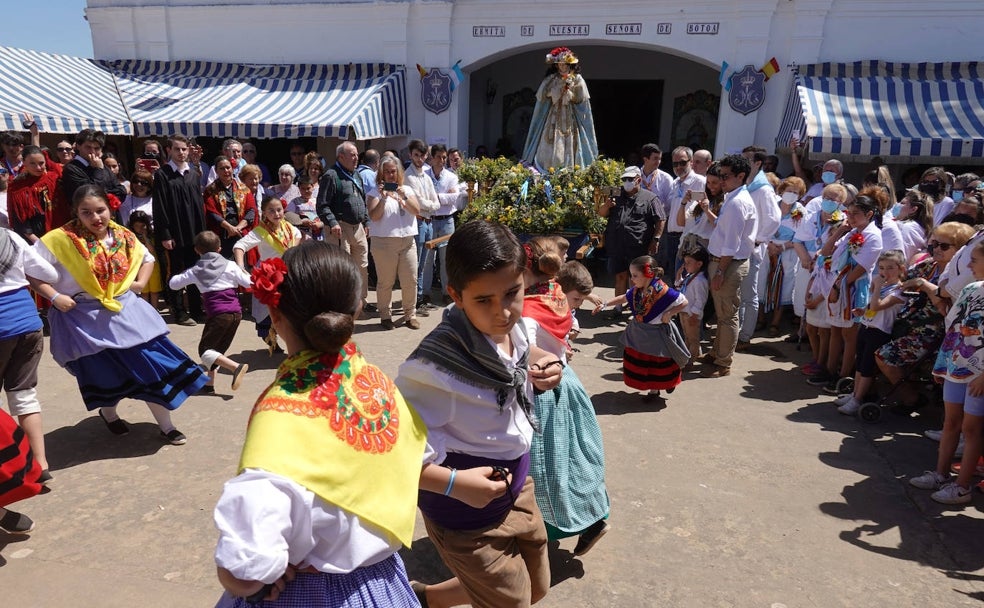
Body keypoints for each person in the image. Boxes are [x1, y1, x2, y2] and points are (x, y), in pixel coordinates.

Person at [213, 241, 427, 607]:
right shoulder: (376, 384)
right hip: (382, 585)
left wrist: (252, 580)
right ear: (357, 309)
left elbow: (244, 569)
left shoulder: (279, 419)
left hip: (306, 594)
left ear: (275, 317)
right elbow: (415, 458)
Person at [395, 220, 562, 608]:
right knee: (514, 602)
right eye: (483, 300)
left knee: (537, 589)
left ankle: (427, 598)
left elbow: (518, 356)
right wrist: (454, 484)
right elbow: (396, 455)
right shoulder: (434, 371)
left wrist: (545, 362)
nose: (503, 311)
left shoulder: (514, 329)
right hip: (466, 517)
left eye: (512, 293)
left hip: (518, 489)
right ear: (456, 295)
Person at [32, 185, 206, 445]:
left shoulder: (123, 236)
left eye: (100, 210)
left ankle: (166, 426)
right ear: (76, 213)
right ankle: (109, 414)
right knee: (103, 373)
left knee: (148, 367)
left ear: (110, 208)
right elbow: (31, 272)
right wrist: (55, 297)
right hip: (84, 319)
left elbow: (147, 259)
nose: (96, 218)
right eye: (86, 212)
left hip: (125, 313)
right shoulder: (58, 240)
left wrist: (139, 283)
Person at [521, 236, 610, 555]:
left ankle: (542, 531)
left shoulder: (529, 308)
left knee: (545, 467)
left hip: (542, 387)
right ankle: (594, 515)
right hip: (568, 383)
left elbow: (523, 345)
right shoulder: (556, 296)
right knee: (579, 455)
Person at [909, 240, 984, 505]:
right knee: (951, 422)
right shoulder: (972, 289)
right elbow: (953, 327)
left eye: (974, 260)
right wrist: (943, 363)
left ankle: (962, 486)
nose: (969, 265)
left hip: (979, 375)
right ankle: (940, 474)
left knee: (972, 429)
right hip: (957, 367)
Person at [876, 222, 976, 408]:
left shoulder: (961, 276)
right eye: (934, 244)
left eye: (944, 246)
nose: (936, 249)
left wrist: (923, 285)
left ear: (960, 251)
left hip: (934, 333)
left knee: (884, 356)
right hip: (906, 323)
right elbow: (901, 278)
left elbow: (945, 308)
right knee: (870, 337)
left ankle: (911, 399)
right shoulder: (929, 265)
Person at [0, 226, 58, 483]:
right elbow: (49, 273)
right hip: (26, 321)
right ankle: (40, 464)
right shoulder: (9, 236)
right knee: (24, 394)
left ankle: (9, 467)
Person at [815, 192, 884, 394]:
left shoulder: (873, 236)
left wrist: (839, 287)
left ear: (869, 214)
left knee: (849, 334)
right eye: (849, 213)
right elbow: (827, 252)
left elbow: (861, 267)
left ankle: (843, 376)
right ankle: (829, 370)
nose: (851, 217)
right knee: (835, 330)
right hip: (838, 283)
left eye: (856, 214)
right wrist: (839, 231)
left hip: (853, 287)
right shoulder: (850, 232)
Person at [168, 230, 250, 395]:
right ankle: (209, 384)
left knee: (205, 351)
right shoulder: (231, 265)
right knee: (215, 351)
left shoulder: (196, 270)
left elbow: (173, 284)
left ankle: (236, 367)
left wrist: (180, 274)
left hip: (218, 316)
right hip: (236, 313)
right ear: (219, 248)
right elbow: (249, 283)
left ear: (197, 250)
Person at [596, 255, 689, 398]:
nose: (632, 279)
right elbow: (623, 297)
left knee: (659, 363)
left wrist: (669, 313)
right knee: (644, 364)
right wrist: (605, 304)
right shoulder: (636, 291)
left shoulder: (663, 291)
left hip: (657, 335)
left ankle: (668, 383)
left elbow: (684, 302)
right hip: (639, 333)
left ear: (648, 274)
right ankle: (654, 390)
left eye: (635, 275)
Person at [702, 154, 758, 378]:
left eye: (725, 176)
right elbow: (722, 230)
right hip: (724, 263)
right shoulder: (733, 198)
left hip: (728, 264)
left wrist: (721, 272)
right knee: (722, 313)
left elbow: (731, 245)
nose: (721, 180)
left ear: (741, 176)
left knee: (726, 316)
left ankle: (724, 361)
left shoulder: (737, 202)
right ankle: (717, 353)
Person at [834, 249, 906, 415]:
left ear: (901, 269)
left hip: (879, 332)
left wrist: (877, 287)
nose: (884, 272)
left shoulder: (898, 291)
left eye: (890, 268)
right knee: (859, 364)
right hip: (866, 326)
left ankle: (858, 399)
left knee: (867, 367)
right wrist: (863, 310)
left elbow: (877, 306)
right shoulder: (883, 287)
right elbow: (871, 307)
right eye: (881, 268)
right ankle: (854, 394)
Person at [234, 195, 302, 352]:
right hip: (269, 277)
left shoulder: (290, 229)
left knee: (291, 312)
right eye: (271, 211)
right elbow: (239, 246)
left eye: (279, 210)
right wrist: (240, 265)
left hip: (288, 276)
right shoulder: (260, 231)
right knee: (267, 313)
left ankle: (295, 343)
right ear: (264, 213)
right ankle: (272, 342)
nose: (276, 214)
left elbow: (296, 242)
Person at [152, 134, 207, 326]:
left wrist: (202, 234)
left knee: (194, 271)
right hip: (175, 233)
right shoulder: (162, 174)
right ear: (169, 150)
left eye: (184, 149)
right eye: (177, 149)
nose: (181, 153)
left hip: (193, 233)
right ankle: (179, 312)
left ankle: (196, 309)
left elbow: (198, 206)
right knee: (176, 273)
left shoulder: (192, 174)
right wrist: (165, 234)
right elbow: (160, 206)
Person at [599, 166, 665, 317]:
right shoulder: (616, 196)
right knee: (620, 276)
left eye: (630, 179)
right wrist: (607, 205)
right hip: (617, 245)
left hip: (638, 246)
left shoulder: (650, 198)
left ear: (638, 180)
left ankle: (637, 308)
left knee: (637, 279)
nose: (626, 182)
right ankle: (617, 308)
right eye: (624, 179)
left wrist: (656, 239)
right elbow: (601, 213)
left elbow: (660, 219)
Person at [365, 155, 421, 330]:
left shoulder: (407, 190)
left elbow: (417, 210)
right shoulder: (374, 192)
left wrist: (403, 197)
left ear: (398, 172)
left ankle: (410, 314)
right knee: (386, 281)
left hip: (407, 240)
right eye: (387, 172)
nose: (390, 175)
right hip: (384, 242)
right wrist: (383, 198)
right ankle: (385, 315)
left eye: (393, 171)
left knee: (410, 279)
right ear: (381, 173)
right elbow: (374, 216)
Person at [316, 141, 372, 312]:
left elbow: (362, 200)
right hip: (340, 229)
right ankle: (342, 304)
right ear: (341, 157)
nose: (356, 158)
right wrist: (332, 222)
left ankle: (360, 302)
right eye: (352, 155)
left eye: (356, 154)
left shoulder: (357, 174)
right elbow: (322, 205)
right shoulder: (331, 176)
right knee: (342, 269)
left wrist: (366, 221)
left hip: (358, 229)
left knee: (362, 267)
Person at [521, 46, 598, 171]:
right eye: (560, 64)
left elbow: (581, 99)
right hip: (553, 116)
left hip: (569, 117)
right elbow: (543, 95)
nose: (563, 67)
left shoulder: (577, 79)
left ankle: (571, 169)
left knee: (571, 144)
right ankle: (546, 169)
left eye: (565, 64)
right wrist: (555, 91)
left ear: (570, 64)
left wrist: (569, 94)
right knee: (548, 144)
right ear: (556, 66)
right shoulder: (551, 79)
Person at [737, 145, 782, 348]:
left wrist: (758, 239)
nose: (743, 161)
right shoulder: (746, 183)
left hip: (752, 248)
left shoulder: (763, 188)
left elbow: (774, 219)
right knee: (738, 293)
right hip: (739, 246)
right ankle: (737, 331)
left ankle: (745, 335)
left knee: (749, 293)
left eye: (747, 159)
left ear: (757, 163)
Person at [765, 176, 807, 336]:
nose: (792, 194)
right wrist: (769, 244)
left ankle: (776, 321)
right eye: (789, 191)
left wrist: (782, 247)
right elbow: (761, 226)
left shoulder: (801, 211)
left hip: (788, 252)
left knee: (783, 285)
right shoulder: (772, 206)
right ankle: (761, 317)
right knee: (763, 282)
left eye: (795, 192)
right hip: (767, 249)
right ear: (782, 191)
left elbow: (801, 234)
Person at [403, 139, 441, 313]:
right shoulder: (407, 176)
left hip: (428, 222)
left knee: (425, 263)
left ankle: (419, 299)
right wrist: (430, 205)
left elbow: (436, 202)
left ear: (427, 156)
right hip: (417, 222)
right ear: (410, 155)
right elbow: (418, 203)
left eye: (422, 155)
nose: (419, 159)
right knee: (415, 264)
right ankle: (414, 301)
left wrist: (430, 205)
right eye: (416, 155)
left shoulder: (426, 176)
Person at [424, 143, 463, 306]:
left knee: (446, 258)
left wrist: (432, 198)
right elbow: (421, 197)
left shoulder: (451, 177)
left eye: (444, 157)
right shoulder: (424, 175)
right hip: (429, 220)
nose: (442, 160)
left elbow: (454, 198)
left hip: (447, 220)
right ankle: (424, 293)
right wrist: (444, 197)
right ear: (432, 158)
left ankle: (447, 293)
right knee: (426, 259)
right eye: (439, 157)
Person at [659, 146, 705, 274]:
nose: (678, 166)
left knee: (684, 277)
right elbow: (667, 208)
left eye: (683, 162)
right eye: (675, 163)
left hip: (688, 237)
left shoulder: (700, 182)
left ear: (691, 162)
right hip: (672, 236)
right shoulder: (675, 183)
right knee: (674, 277)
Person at [8, 145, 66, 242]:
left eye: (41, 163)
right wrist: (39, 243)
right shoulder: (17, 188)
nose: (38, 167)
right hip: (36, 237)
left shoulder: (54, 178)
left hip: (60, 232)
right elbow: (20, 220)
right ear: (24, 162)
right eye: (32, 163)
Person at [205, 156, 257, 259]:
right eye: (222, 168)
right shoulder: (210, 190)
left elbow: (251, 211)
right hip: (222, 232)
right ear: (216, 171)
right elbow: (211, 212)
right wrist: (229, 228)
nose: (226, 171)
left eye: (228, 167)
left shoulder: (244, 189)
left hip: (240, 231)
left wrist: (237, 228)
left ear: (232, 169)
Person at [61, 129, 127, 204]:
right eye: (88, 147)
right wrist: (98, 170)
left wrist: (108, 197)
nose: (92, 152)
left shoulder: (103, 166)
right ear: (78, 146)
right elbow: (90, 194)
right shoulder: (71, 169)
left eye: (97, 148)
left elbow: (121, 191)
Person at [677, 245, 710, 367]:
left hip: (692, 314)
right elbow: (681, 288)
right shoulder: (690, 276)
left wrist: (695, 315)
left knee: (693, 339)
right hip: (684, 312)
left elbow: (700, 300)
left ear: (699, 264)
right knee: (687, 337)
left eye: (688, 262)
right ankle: (694, 356)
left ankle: (690, 361)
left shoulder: (700, 280)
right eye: (685, 262)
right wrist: (678, 278)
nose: (685, 265)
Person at [127, 210, 162, 311]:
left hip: (154, 267)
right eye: (137, 226)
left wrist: (146, 238)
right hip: (139, 268)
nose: (140, 229)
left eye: (143, 225)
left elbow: (151, 250)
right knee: (144, 291)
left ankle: (155, 310)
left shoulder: (151, 236)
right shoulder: (130, 237)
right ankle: (146, 311)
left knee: (154, 291)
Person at [895, 189, 933, 262]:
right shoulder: (915, 227)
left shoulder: (908, 228)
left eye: (902, 203)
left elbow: (903, 256)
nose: (897, 205)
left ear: (913, 209)